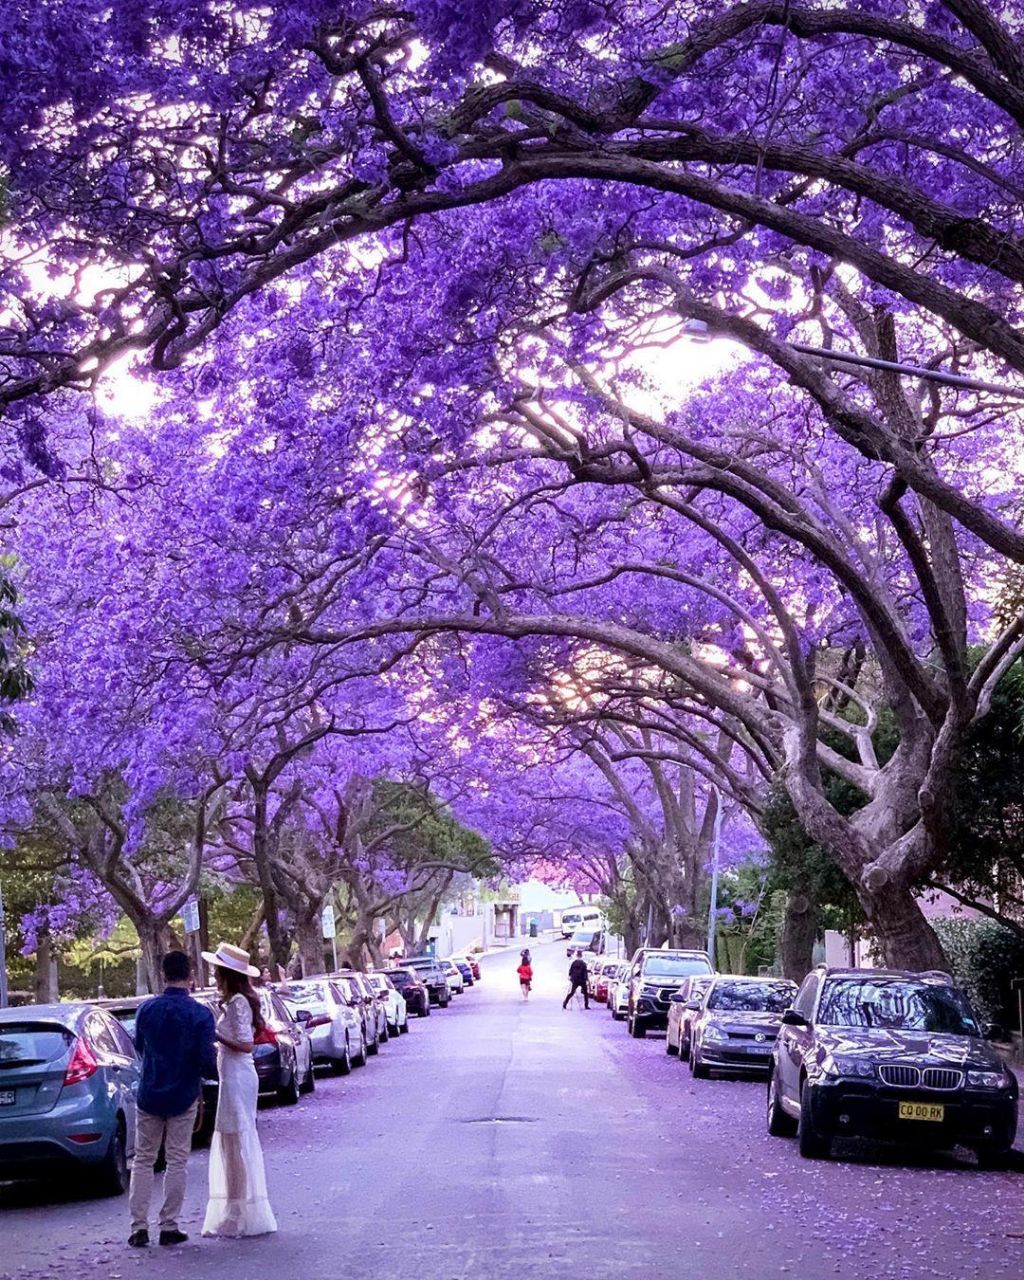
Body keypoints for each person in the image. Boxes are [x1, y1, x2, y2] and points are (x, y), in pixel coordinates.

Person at [128, 950, 217, 1249]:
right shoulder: (201, 1014)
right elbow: (206, 1057)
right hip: (184, 1093)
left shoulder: (146, 1010)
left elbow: (140, 1047)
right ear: (190, 975)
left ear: (163, 973)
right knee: (176, 1160)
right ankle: (169, 1225)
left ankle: (138, 1227)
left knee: (143, 1159)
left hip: (150, 1092)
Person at [200, 942, 278, 1239]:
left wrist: (215, 1033)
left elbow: (246, 1044)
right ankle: (235, 1210)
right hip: (232, 1074)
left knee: (236, 1143)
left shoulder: (238, 1004)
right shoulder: (234, 1002)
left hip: (237, 1075)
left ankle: (239, 1211)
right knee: (231, 1143)